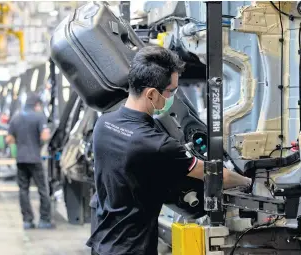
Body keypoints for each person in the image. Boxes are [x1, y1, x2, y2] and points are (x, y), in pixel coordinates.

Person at [87, 46, 251, 255]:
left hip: (102, 242)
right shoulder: (157, 145)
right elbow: (217, 175)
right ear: (152, 94)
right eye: (171, 91)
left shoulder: (104, 124)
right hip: (132, 248)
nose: (173, 96)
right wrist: (248, 182)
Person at [5, 93, 53, 229]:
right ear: (37, 105)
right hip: (35, 158)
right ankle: (44, 220)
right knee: (43, 189)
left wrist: (21, 142)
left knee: (23, 190)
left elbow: (8, 139)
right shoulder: (39, 116)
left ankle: (27, 220)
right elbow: (45, 136)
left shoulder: (16, 116)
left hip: (21, 159)